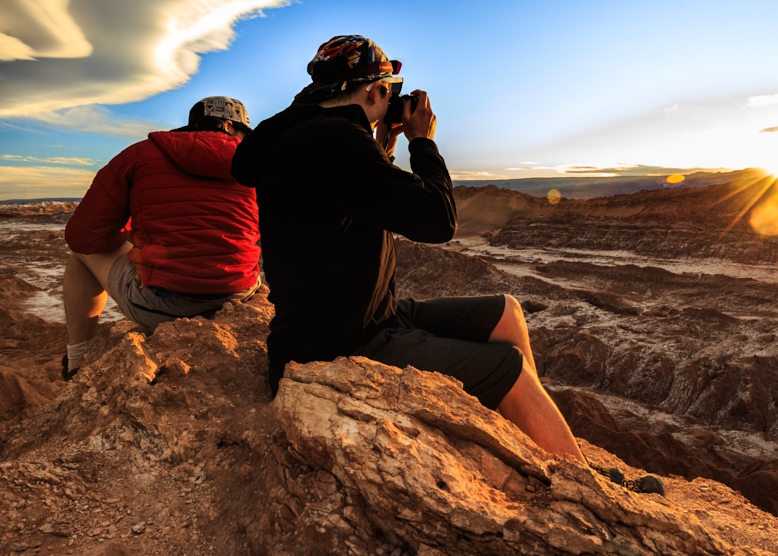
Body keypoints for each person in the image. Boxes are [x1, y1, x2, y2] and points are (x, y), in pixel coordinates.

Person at [231, 36, 663, 495]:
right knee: (509, 368)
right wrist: (422, 142)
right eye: (390, 88)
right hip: (343, 340)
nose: (394, 98)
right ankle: (587, 489)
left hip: (371, 313)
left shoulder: (308, 135)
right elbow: (438, 220)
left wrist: (382, 144)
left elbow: (356, 194)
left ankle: (530, 440)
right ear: (374, 92)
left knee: (506, 312)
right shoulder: (335, 140)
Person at [61, 97, 262, 380]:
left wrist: (130, 238)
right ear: (229, 126)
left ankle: (77, 361)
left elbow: (82, 237)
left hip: (164, 307)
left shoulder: (139, 154)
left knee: (80, 256)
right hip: (241, 293)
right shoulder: (259, 163)